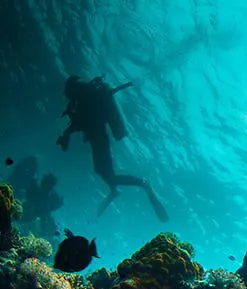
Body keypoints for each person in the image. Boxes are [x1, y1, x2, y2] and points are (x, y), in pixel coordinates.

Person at [56, 75, 169, 222]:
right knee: (102, 171)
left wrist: (67, 133)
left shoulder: (85, 98)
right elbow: (82, 121)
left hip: (99, 139)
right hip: (97, 138)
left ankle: (142, 183)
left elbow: (82, 121)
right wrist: (67, 133)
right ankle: (114, 190)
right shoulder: (85, 97)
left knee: (108, 174)